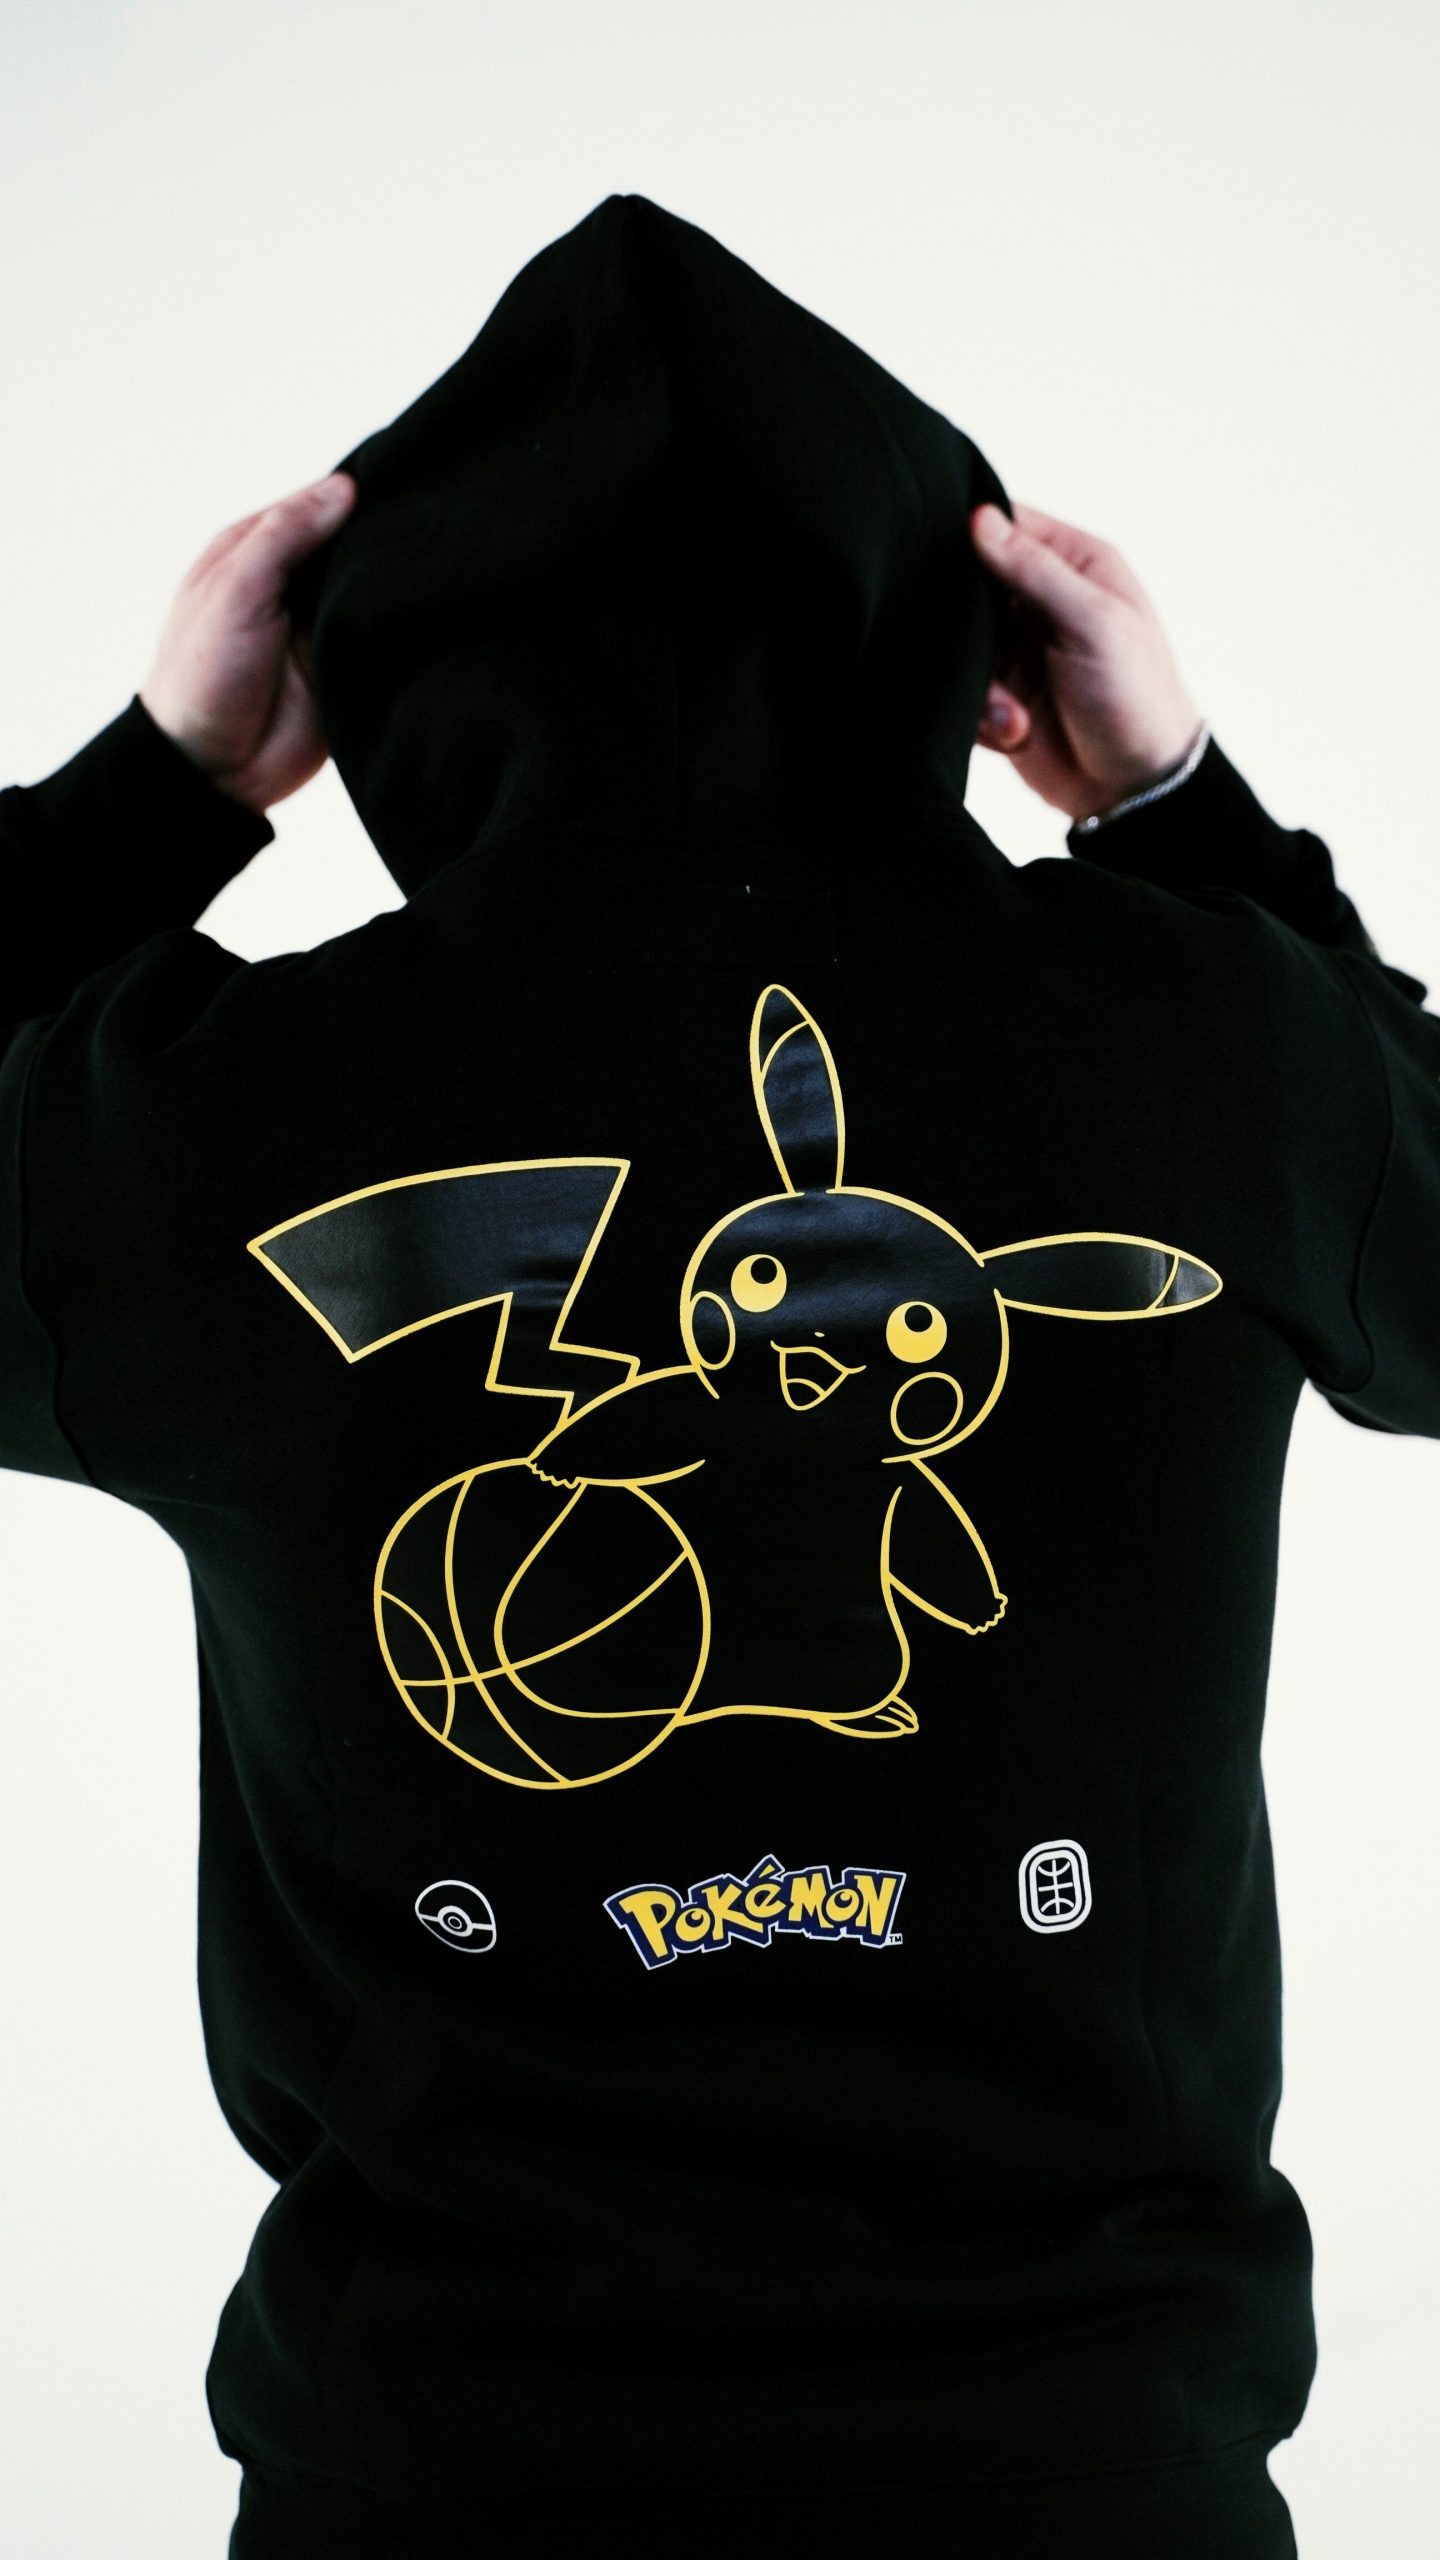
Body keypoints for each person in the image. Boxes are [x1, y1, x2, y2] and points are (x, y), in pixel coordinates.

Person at [2, 193, 1436, 2560]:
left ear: (386, 671)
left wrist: (152, 789)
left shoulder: (193, 1119)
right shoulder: (1211, 1034)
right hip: (1094, 2479)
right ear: (956, 636)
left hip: (434, 2486)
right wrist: (1188, 813)